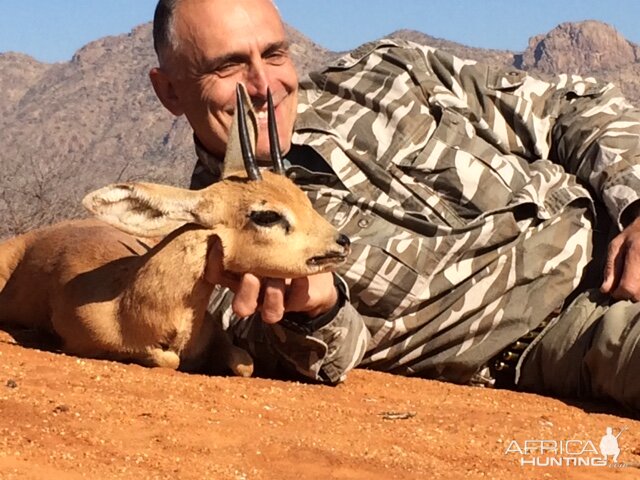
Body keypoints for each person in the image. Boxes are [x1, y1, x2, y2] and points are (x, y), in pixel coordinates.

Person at [149, 0, 640, 411]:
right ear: (169, 90)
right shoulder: (210, 251)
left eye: (274, 54)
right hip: (570, 327)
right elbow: (326, 353)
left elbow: (573, 106)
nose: (263, 85)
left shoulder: (391, 74)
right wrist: (316, 312)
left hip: (614, 222)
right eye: (228, 65)